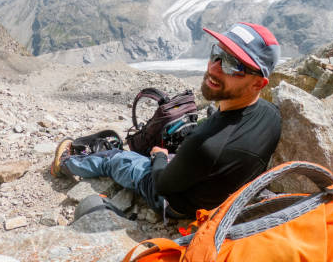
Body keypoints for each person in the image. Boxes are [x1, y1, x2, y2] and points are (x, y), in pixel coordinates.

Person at [51, 22, 282, 218]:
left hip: (178, 205)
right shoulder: (273, 115)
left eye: (234, 66)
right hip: (217, 189)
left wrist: (159, 157)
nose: (214, 68)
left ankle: (67, 162)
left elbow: (161, 184)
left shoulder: (206, 144)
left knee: (117, 159)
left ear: (258, 84)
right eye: (217, 54)